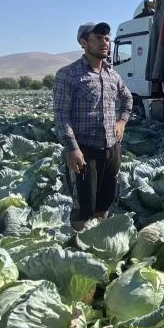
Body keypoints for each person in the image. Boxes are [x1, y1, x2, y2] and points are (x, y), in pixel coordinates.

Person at [53, 22, 133, 230]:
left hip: (111, 149)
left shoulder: (111, 74)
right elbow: (61, 115)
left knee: (105, 202)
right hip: (84, 150)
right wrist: (72, 148)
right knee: (83, 208)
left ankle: (97, 243)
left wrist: (122, 121)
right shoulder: (68, 74)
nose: (104, 43)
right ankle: (79, 249)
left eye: (107, 39)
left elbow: (128, 99)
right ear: (84, 42)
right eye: (98, 38)